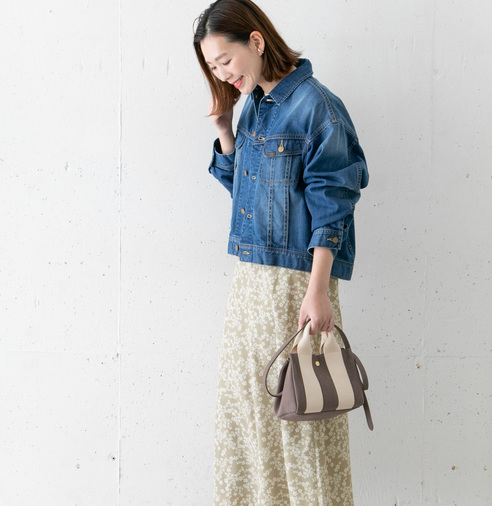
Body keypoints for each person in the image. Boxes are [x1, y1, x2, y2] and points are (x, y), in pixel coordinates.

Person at [193, 1, 369, 504]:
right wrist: (225, 130)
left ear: (255, 41)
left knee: (301, 419)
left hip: (295, 285)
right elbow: (249, 198)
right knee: (250, 417)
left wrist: (318, 292)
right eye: (212, 67)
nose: (222, 74)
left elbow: (333, 208)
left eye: (225, 60)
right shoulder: (255, 105)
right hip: (251, 285)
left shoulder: (317, 107)